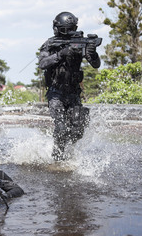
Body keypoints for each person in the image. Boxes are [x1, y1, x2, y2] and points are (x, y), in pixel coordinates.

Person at [38, 12, 101, 161]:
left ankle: (66, 152)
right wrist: (61, 54)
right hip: (56, 93)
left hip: (73, 93)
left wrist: (92, 53)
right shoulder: (50, 43)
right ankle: (57, 157)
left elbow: (96, 64)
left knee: (78, 129)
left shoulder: (80, 42)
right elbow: (42, 63)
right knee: (60, 127)